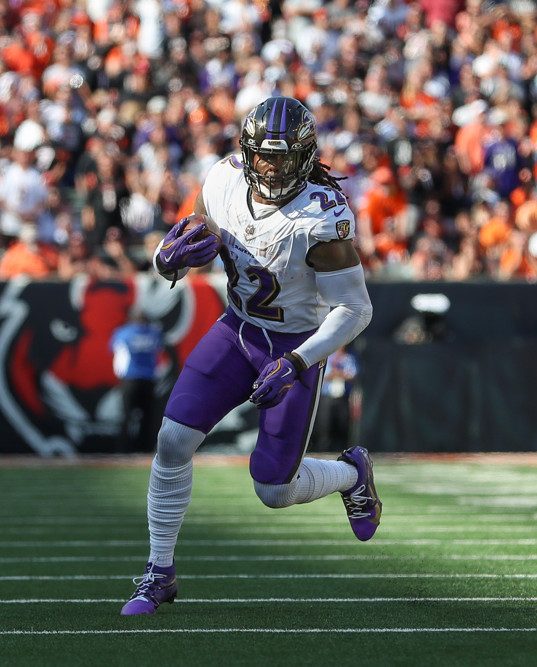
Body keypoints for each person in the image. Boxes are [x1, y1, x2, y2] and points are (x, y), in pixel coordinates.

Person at [121, 96, 380, 616]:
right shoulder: (222, 179)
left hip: (294, 344)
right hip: (237, 331)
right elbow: (192, 235)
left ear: (306, 157)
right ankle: (159, 571)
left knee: (273, 490)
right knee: (172, 440)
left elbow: (355, 309)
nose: (271, 167)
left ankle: (353, 474)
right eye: (263, 155)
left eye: (283, 158)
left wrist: (300, 362)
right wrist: (164, 259)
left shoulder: (321, 217)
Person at [110, 309, 166, 453]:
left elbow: (118, 352)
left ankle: (123, 449)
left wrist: (120, 376)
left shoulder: (124, 332)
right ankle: (145, 449)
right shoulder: (154, 333)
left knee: (126, 415)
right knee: (148, 417)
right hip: (149, 379)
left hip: (130, 378)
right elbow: (159, 353)